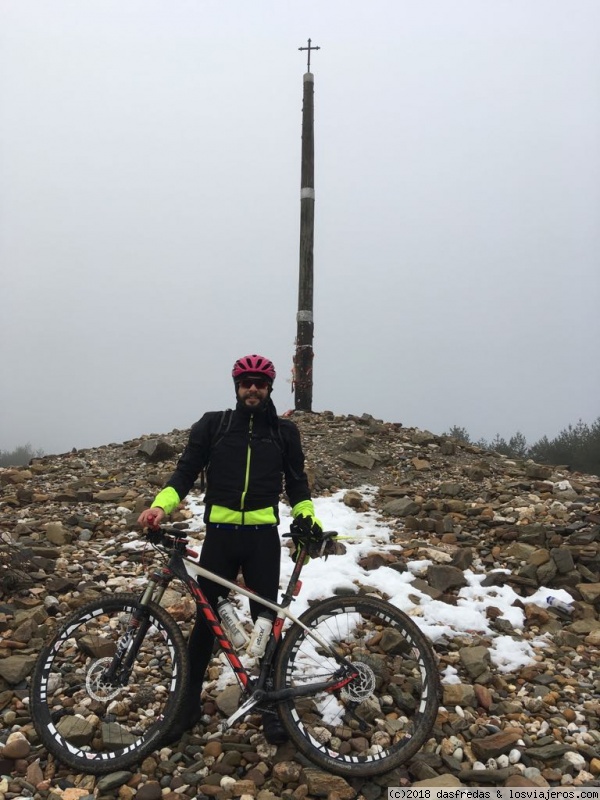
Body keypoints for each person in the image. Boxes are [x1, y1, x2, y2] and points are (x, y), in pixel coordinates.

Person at [137, 353, 322, 745]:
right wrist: (160, 505)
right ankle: (185, 708)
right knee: (205, 624)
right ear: (236, 387)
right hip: (220, 535)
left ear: (270, 387)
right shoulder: (214, 425)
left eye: (259, 382)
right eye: (245, 382)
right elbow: (184, 472)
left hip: (262, 539)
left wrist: (307, 516)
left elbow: (298, 483)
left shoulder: (284, 432)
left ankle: (271, 706)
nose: (252, 388)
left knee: (265, 621)